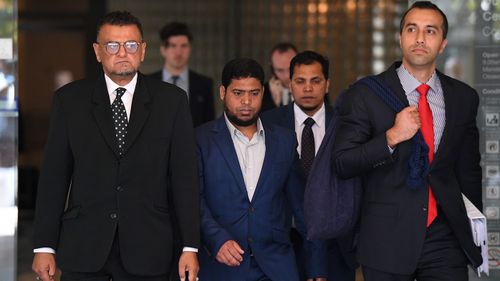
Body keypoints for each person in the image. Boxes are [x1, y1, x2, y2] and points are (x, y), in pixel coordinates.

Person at [31, 11, 200, 281]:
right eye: (113, 45)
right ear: (98, 51)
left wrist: (190, 246)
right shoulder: (69, 101)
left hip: (150, 247)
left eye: (131, 45)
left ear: (143, 50)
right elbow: (54, 178)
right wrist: (44, 246)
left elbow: (185, 179)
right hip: (84, 245)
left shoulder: (172, 102)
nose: (123, 52)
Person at [332, 2, 482, 281]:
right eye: (412, 29)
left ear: (443, 43)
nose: (420, 38)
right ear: (400, 38)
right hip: (385, 238)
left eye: (430, 31)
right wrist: (391, 137)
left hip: (444, 238)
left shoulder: (464, 97)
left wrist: (473, 228)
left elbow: (469, 171)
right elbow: (342, 162)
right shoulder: (365, 95)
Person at [196, 58, 325, 280]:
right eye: (238, 93)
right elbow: (192, 199)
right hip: (222, 265)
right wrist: (215, 239)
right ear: (222, 92)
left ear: (263, 93)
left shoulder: (284, 140)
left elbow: (303, 207)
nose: (246, 101)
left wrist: (316, 266)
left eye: (254, 93)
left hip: (277, 266)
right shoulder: (199, 139)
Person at [262, 50, 356, 281]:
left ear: (327, 84)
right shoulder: (268, 123)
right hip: (283, 242)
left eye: (315, 81)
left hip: (336, 245)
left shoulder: (347, 125)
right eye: (300, 81)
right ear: (290, 84)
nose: (307, 88)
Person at [150, 21, 214, 127]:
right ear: (163, 50)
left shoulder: (204, 84)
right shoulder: (148, 83)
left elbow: (208, 124)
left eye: (184, 46)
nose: (178, 52)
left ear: (190, 49)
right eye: (173, 46)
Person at [261, 42, 298, 112]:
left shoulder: (309, 89)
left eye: (290, 69)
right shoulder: (262, 93)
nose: (287, 76)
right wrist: (274, 103)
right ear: (272, 69)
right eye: (280, 70)